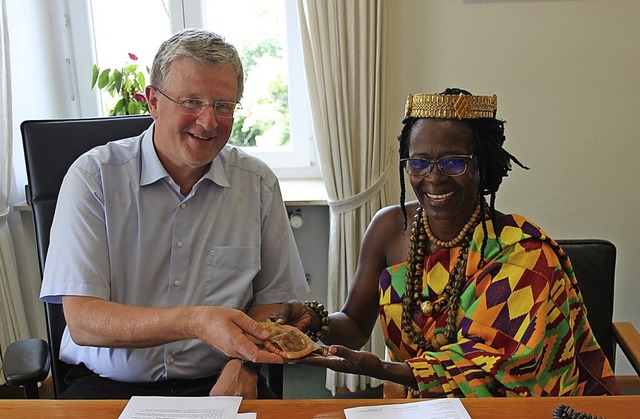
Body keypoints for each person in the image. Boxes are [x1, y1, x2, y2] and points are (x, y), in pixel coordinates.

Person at [274, 88, 621, 397]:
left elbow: (502, 370)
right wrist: (312, 319)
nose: (434, 177)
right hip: (421, 408)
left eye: (453, 162)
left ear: (483, 165)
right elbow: (354, 324)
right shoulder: (389, 228)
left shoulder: (524, 253)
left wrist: (383, 370)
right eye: (419, 163)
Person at [39, 28, 309, 399]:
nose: (208, 121)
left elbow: (275, 299)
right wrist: (196, 321)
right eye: (191, 101)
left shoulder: (257, 183)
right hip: (107, 386)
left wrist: (243, 363)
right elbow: (84, 321)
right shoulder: (94, 178)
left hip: (222, 379)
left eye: (223, 105)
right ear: (152, 101)